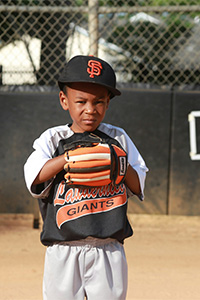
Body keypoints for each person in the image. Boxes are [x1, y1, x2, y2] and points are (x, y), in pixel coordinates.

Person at [24, 55, 148, 300]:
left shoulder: (118, 139)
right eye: (81, 101)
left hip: (108, 247)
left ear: (108, 103)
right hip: (63, 248)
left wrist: (118, 162)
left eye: (99, 102)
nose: (90, 109)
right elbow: (35, 176)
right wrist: (68, 160)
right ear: (64, 100)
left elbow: (138, 183)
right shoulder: (52, 139)